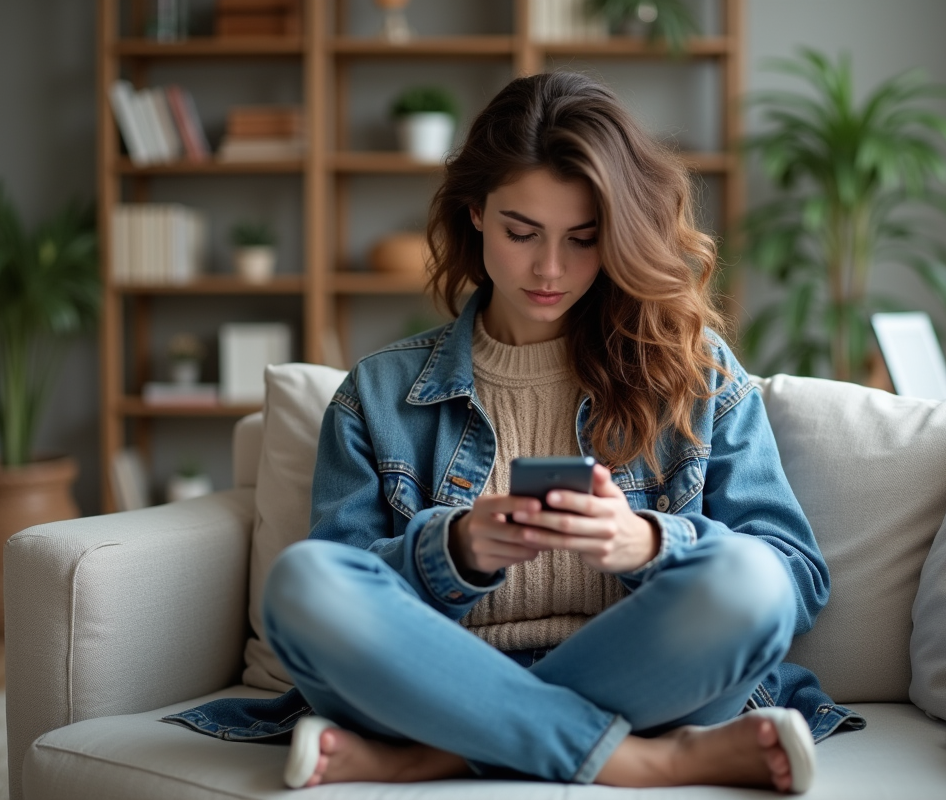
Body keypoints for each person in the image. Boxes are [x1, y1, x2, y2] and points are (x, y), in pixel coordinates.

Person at [169, 71, 862, 792]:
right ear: (475, 211)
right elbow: (345, 586)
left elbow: (794, 579)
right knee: (302, 581)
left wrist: (649, 545)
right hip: (437, 681)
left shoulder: (695, 372)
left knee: (751, 580)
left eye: (584, 239)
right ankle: (645, 762)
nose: (549, 268)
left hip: (631, 687)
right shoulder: (377, 394)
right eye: (521, 232)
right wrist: (456, 551)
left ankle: (437, 755)